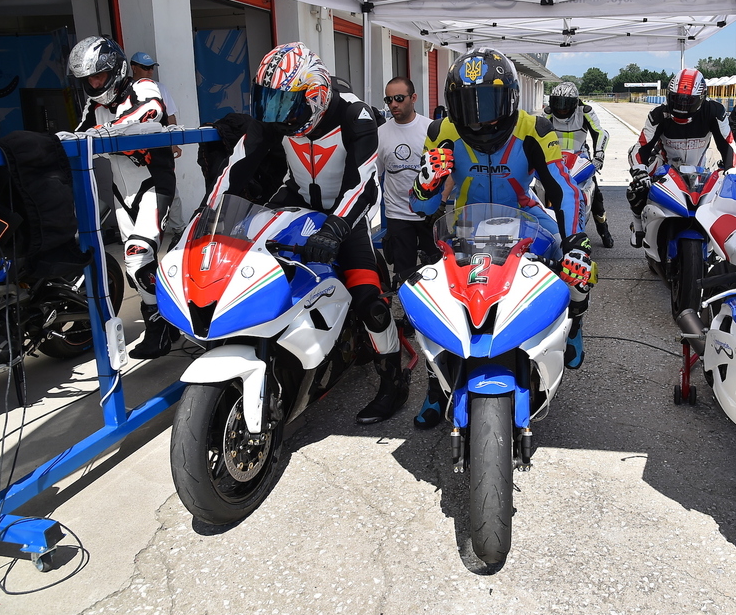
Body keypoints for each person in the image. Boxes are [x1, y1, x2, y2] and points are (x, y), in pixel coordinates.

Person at [210, 42, 406, 425]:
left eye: (284, 102)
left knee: (371, 303)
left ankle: (393, 378)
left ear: (314, 95)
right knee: (246, 267)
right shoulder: (276, 118)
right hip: (295, 204)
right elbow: (236, 168)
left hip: (345, 217)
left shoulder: (355, 114)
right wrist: (208, 214)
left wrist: (334, 228)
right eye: (268, 100)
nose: (274, 113)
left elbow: (363, 185)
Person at [409, 47, 592, 428]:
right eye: (468, 104)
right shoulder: (441, 131)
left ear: (510, 97)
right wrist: (425, 183)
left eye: (489, 102)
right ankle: (434, 386)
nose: (479, 116)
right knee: (434, 298)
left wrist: (576, 241)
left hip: (526, 220)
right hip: (464, 224)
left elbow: (563, 189)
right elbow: (422, 206)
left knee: (576, 266)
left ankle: (575, 321)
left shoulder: (535, 128)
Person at [68, 36, 179, 359]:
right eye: (88, 78)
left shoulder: (142, 87)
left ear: (115, 69)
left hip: (154, 184)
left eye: (99, 76)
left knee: (137, 255)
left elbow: (151, 111)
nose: (94, 83)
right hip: (121, 192)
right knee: (135, 269)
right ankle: (168, 319)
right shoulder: (95, 106)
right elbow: (78, 135)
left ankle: (160, 328)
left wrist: (106, 131)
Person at [627, 68, 736, 248]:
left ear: (701, 98)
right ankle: (638, 227)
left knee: (729, 193)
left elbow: (728, 145)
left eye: (688, 102)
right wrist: (640, 170)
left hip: (701, 169)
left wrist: (732, 172)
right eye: (677, 99)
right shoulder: (658, 114)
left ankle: (724, 240)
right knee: (636, 188)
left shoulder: (714, 111)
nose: (681, 106)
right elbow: (641, 147)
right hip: (665, 167)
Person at [376, 77, 438, 287]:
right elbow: (374, 174)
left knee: (437, 271)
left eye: (399, 98)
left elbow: (448, 172)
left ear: (413, 98)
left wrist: (441, 202)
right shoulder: (381, 133)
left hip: (430, 214)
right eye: (389, 100)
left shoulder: (431, 129)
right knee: (404, 275)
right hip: (398, 215)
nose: (393, 104)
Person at [541, 81, 615, 248]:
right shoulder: (547, 113)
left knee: (596, 196)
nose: (561, 109)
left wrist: (599, 155)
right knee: (538, 189)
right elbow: (536, 133)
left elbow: (600, 133)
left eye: (565, 104)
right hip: (553, 158)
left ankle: (604, 231)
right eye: (558, 103)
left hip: (580, 158)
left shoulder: (585, 111)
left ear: (574, 103)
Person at [130, 52, 182, 159]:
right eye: (146, 68)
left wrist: (174, 143)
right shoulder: (126, 89)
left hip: (161, 143)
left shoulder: (160, 88)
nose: (150, 71)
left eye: (152, 67)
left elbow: (170, 116)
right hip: (136, 145)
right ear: (134, 68)